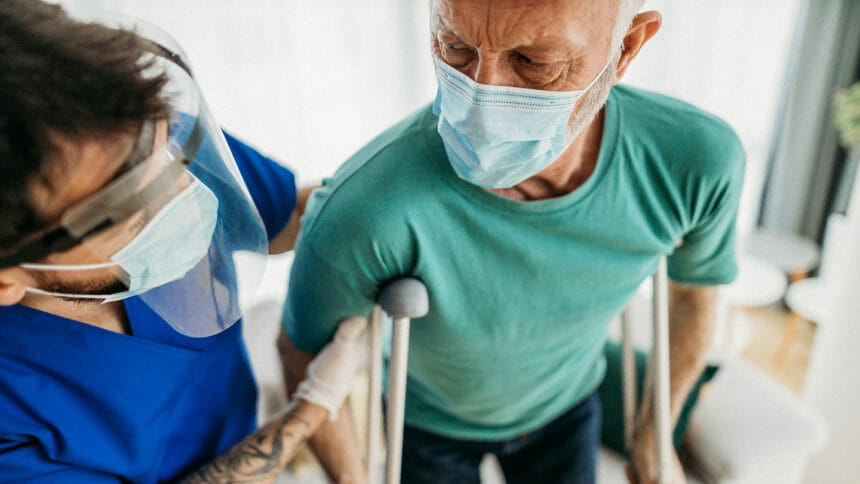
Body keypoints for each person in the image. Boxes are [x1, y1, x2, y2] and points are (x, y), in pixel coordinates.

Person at [281, 0, 745, 483]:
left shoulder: (695, 162)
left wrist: (655, 436)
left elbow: (692, 295)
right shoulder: (365, 209)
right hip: (426, 422)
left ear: (625, 47)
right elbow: (302, 353)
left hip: (567, 406)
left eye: (533, 62)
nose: (482, 96)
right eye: (455, 46)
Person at [0, 2, 362, 483]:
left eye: (172, 153)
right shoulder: (13, 407)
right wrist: (311, 408)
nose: (187, 196)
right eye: (128, 212)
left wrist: (392, 199)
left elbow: (291, 215)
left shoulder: (129, 142)